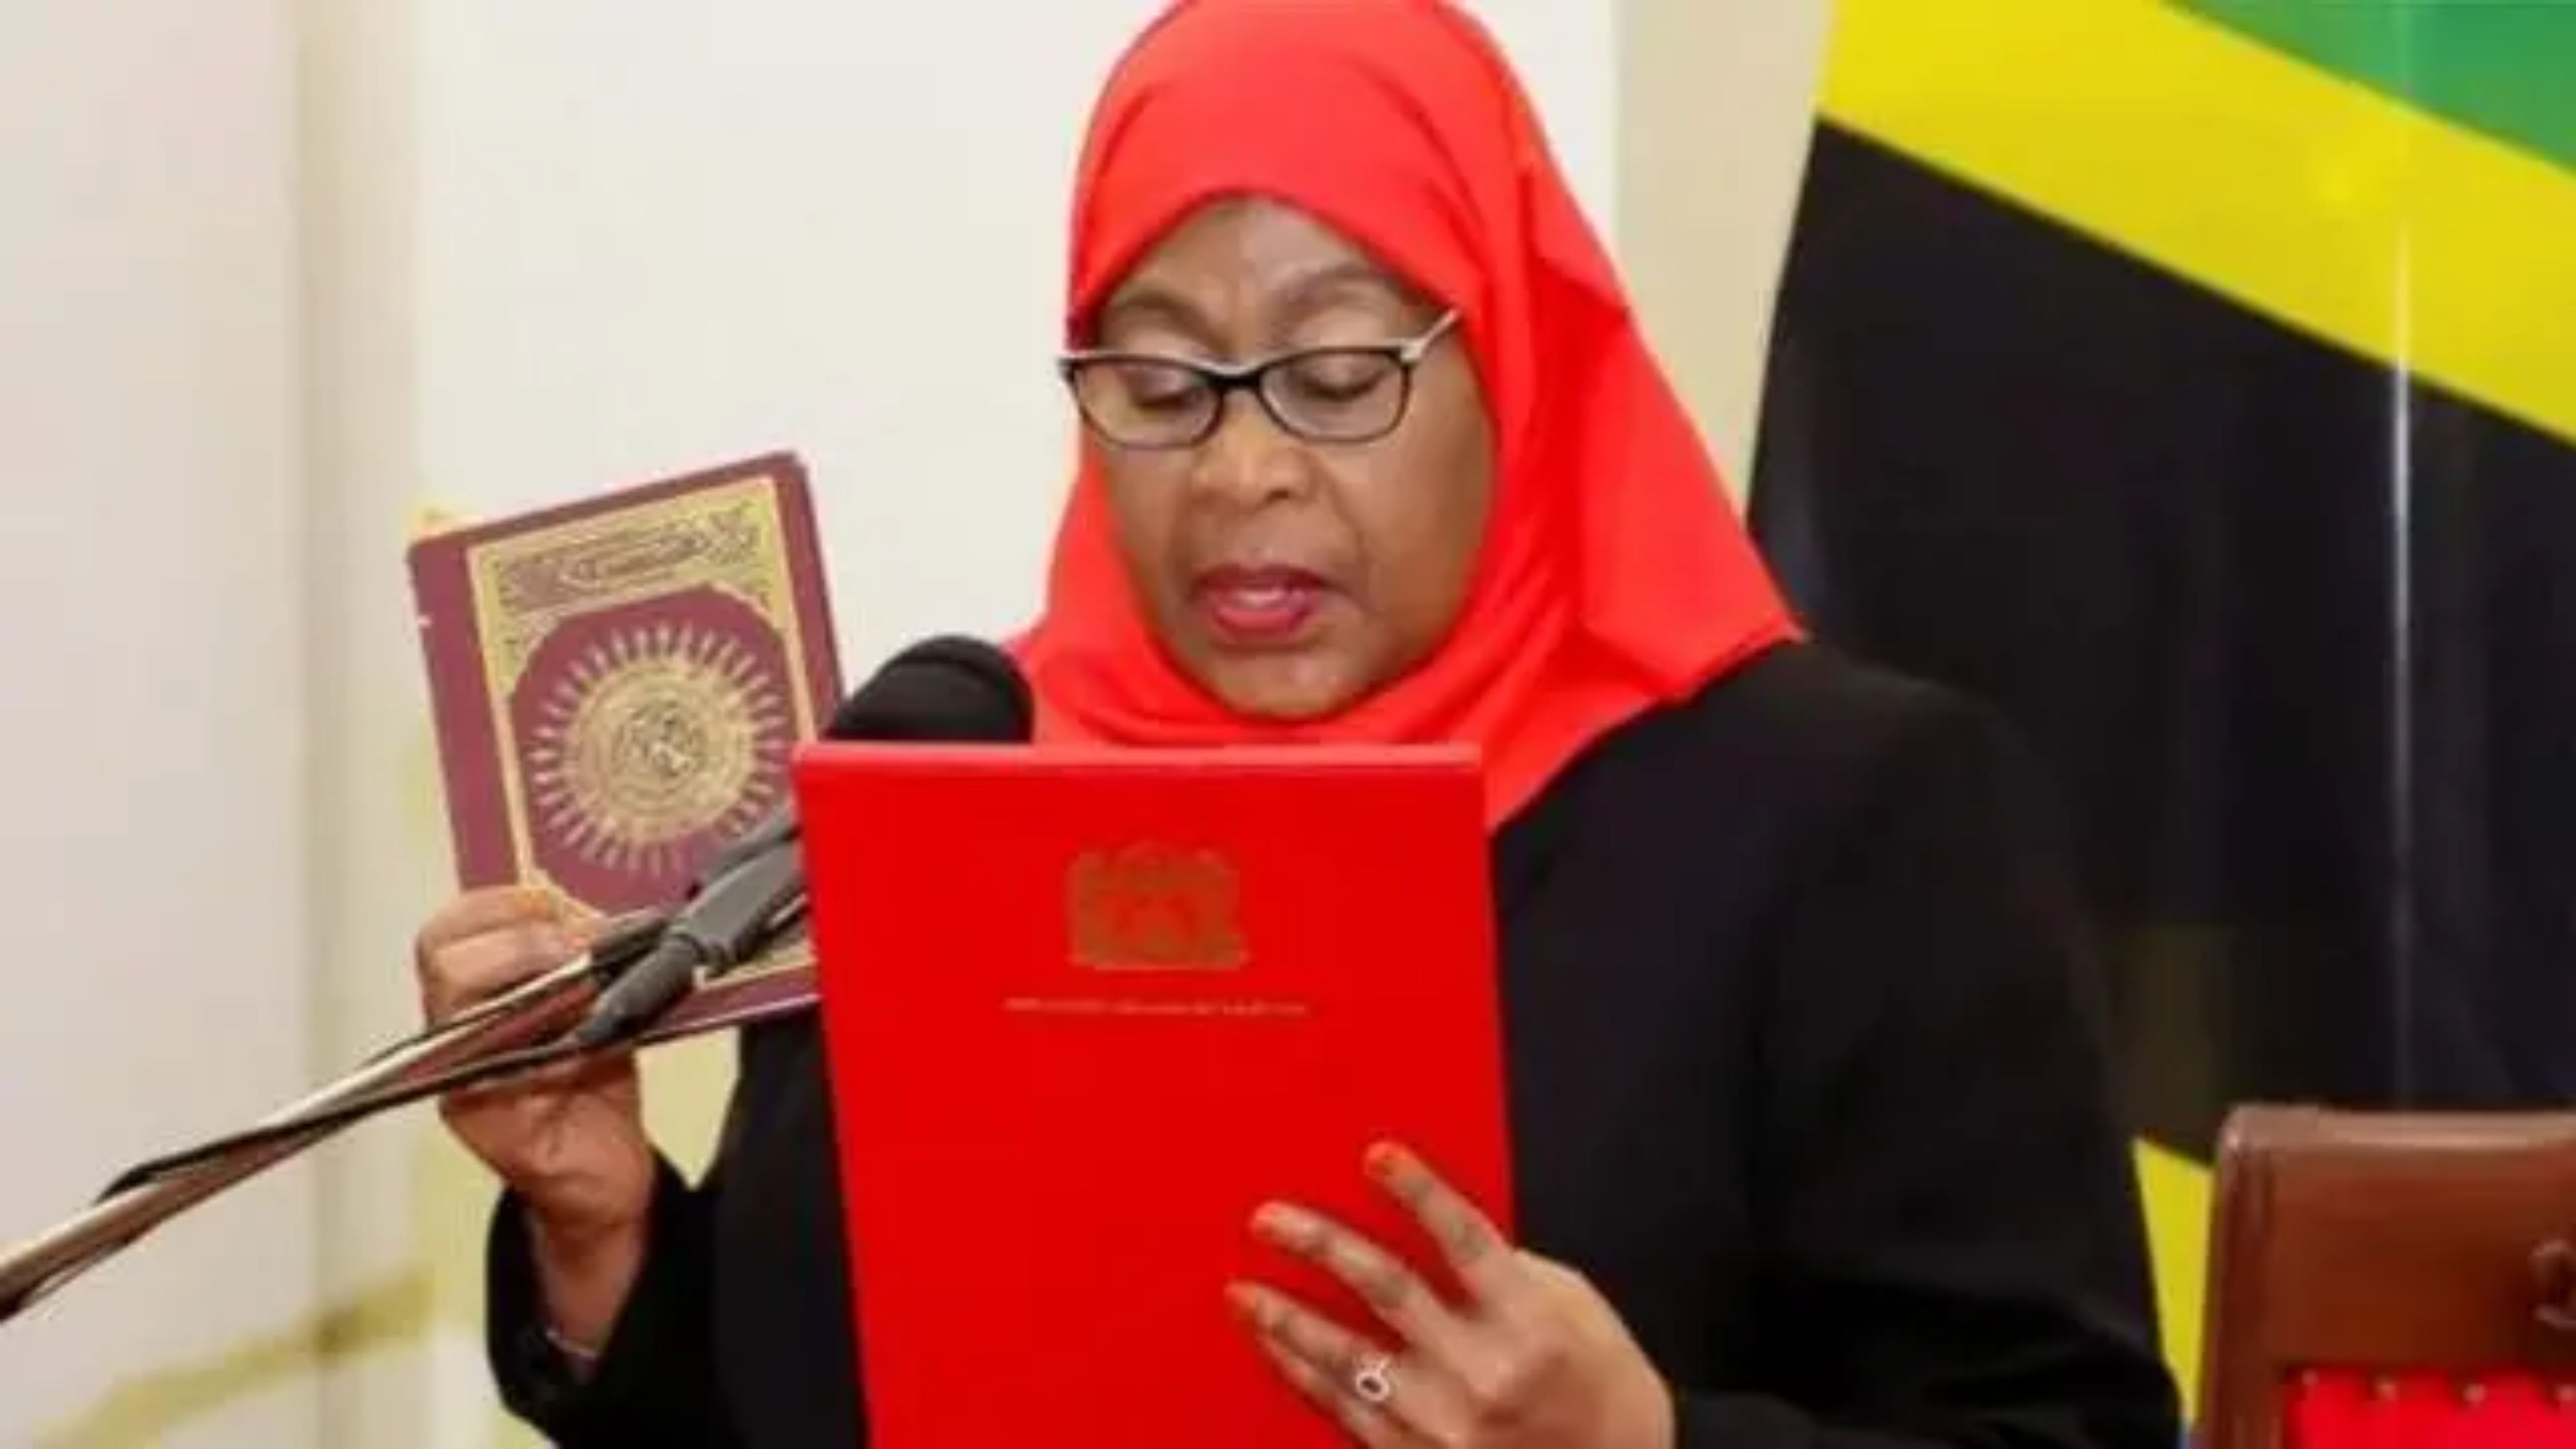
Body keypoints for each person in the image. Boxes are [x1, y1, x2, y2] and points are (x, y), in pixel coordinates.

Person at [415, 2, 2185, 1445]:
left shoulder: (1846, 817)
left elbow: (2057, 1435)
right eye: (1160, 381)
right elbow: (787, 1412)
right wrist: (606, 1232)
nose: (1242, 471)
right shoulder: (943, 778)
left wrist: (1645, 1446)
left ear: (1513, 367)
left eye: (1338, 378)